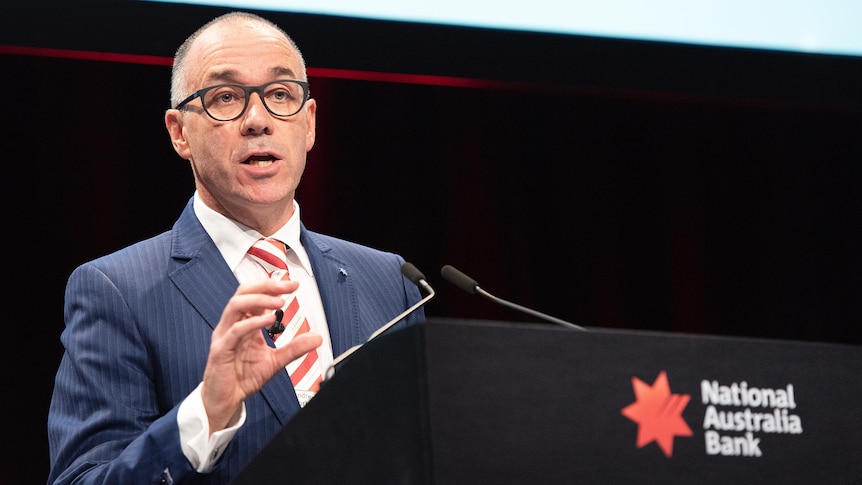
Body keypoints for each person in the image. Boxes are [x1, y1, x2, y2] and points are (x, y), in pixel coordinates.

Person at [47, 11, 424, 485]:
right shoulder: (117, 290)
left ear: (308, 124)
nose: (258, 120)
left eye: (280, 95)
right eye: (225, 97)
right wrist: (207, 412)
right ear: (179, 132)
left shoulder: (391, 282)